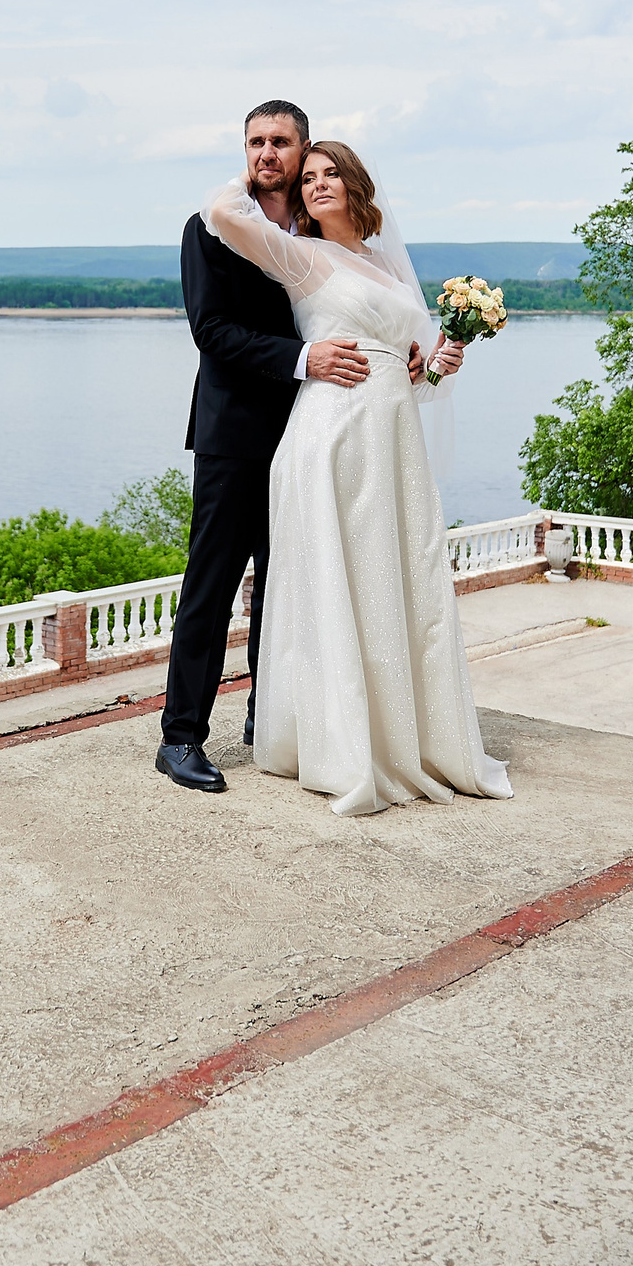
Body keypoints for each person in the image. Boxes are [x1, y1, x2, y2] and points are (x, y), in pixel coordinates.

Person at [197, 139, 513, 816]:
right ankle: (342, 744)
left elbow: (412, 373)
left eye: (327, 172)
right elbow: (221, 214)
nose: (315, 184)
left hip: (392, 438)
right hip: (332, 435)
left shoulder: (389, 271)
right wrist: (259, 168)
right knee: (341, 581)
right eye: (305, 176)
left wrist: (439, 360)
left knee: (394, 579)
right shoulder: (302, 256)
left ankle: (401, 734)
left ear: (356, 184)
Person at [156, 101, 398, 794]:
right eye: (256, 141)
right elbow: (212, 332)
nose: (267, 152)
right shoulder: (210, 228)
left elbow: (360, 303)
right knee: (212, 585)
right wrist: (304, 359)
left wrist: (401, 357)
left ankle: (271, 716)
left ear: (302, 150)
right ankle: (180, 737)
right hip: (233, 434)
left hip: (314, 434)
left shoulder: (318, 231)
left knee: (288, 582)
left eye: (281, 142)